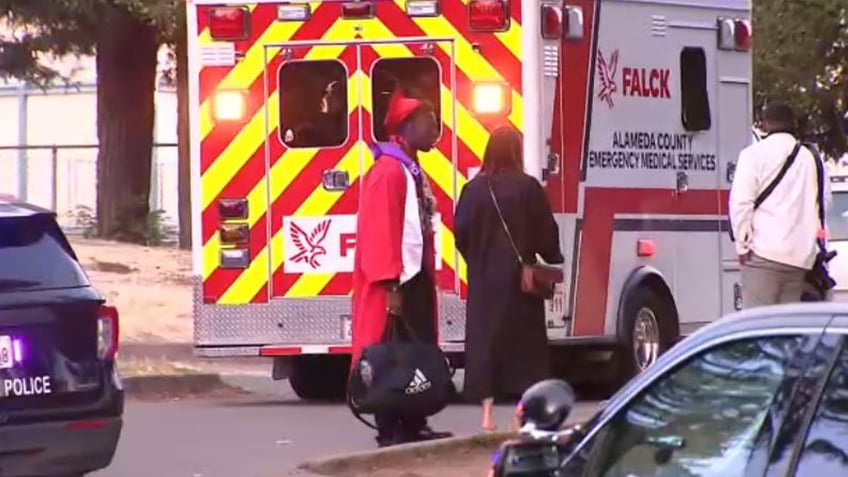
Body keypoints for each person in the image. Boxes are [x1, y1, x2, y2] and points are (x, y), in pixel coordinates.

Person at [349, 87, 453, 447]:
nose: (435, 128)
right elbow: (381, 232)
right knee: (391, 353)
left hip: (414, 279)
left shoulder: (408, 168)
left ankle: (414, 421)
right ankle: (390, 425)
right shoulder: (388, 172)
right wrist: (390, 284)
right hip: (395, 283)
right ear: (408, 126)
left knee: (416, 351)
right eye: (428, 122)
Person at [454, 125, 564, 432]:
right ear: (517, 151)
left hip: (484, 283)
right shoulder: (528, 188)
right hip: (521, 285)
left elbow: (460, 233)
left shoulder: (473, 190)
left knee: (485, 348)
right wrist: (552, 256)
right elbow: (546, 233)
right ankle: (520, 414)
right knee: (524, 352)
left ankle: (487, 416)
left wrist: (477, 260)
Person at [729, 101, 832, 308]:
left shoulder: (752, 155)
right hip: (800, 260)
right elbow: (824, 202)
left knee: (758, 328)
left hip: (763, 255)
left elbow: (741, 203)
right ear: (793, 124)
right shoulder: (812, 159)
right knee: (786, 330)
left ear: (765, 124)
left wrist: (742, 246)